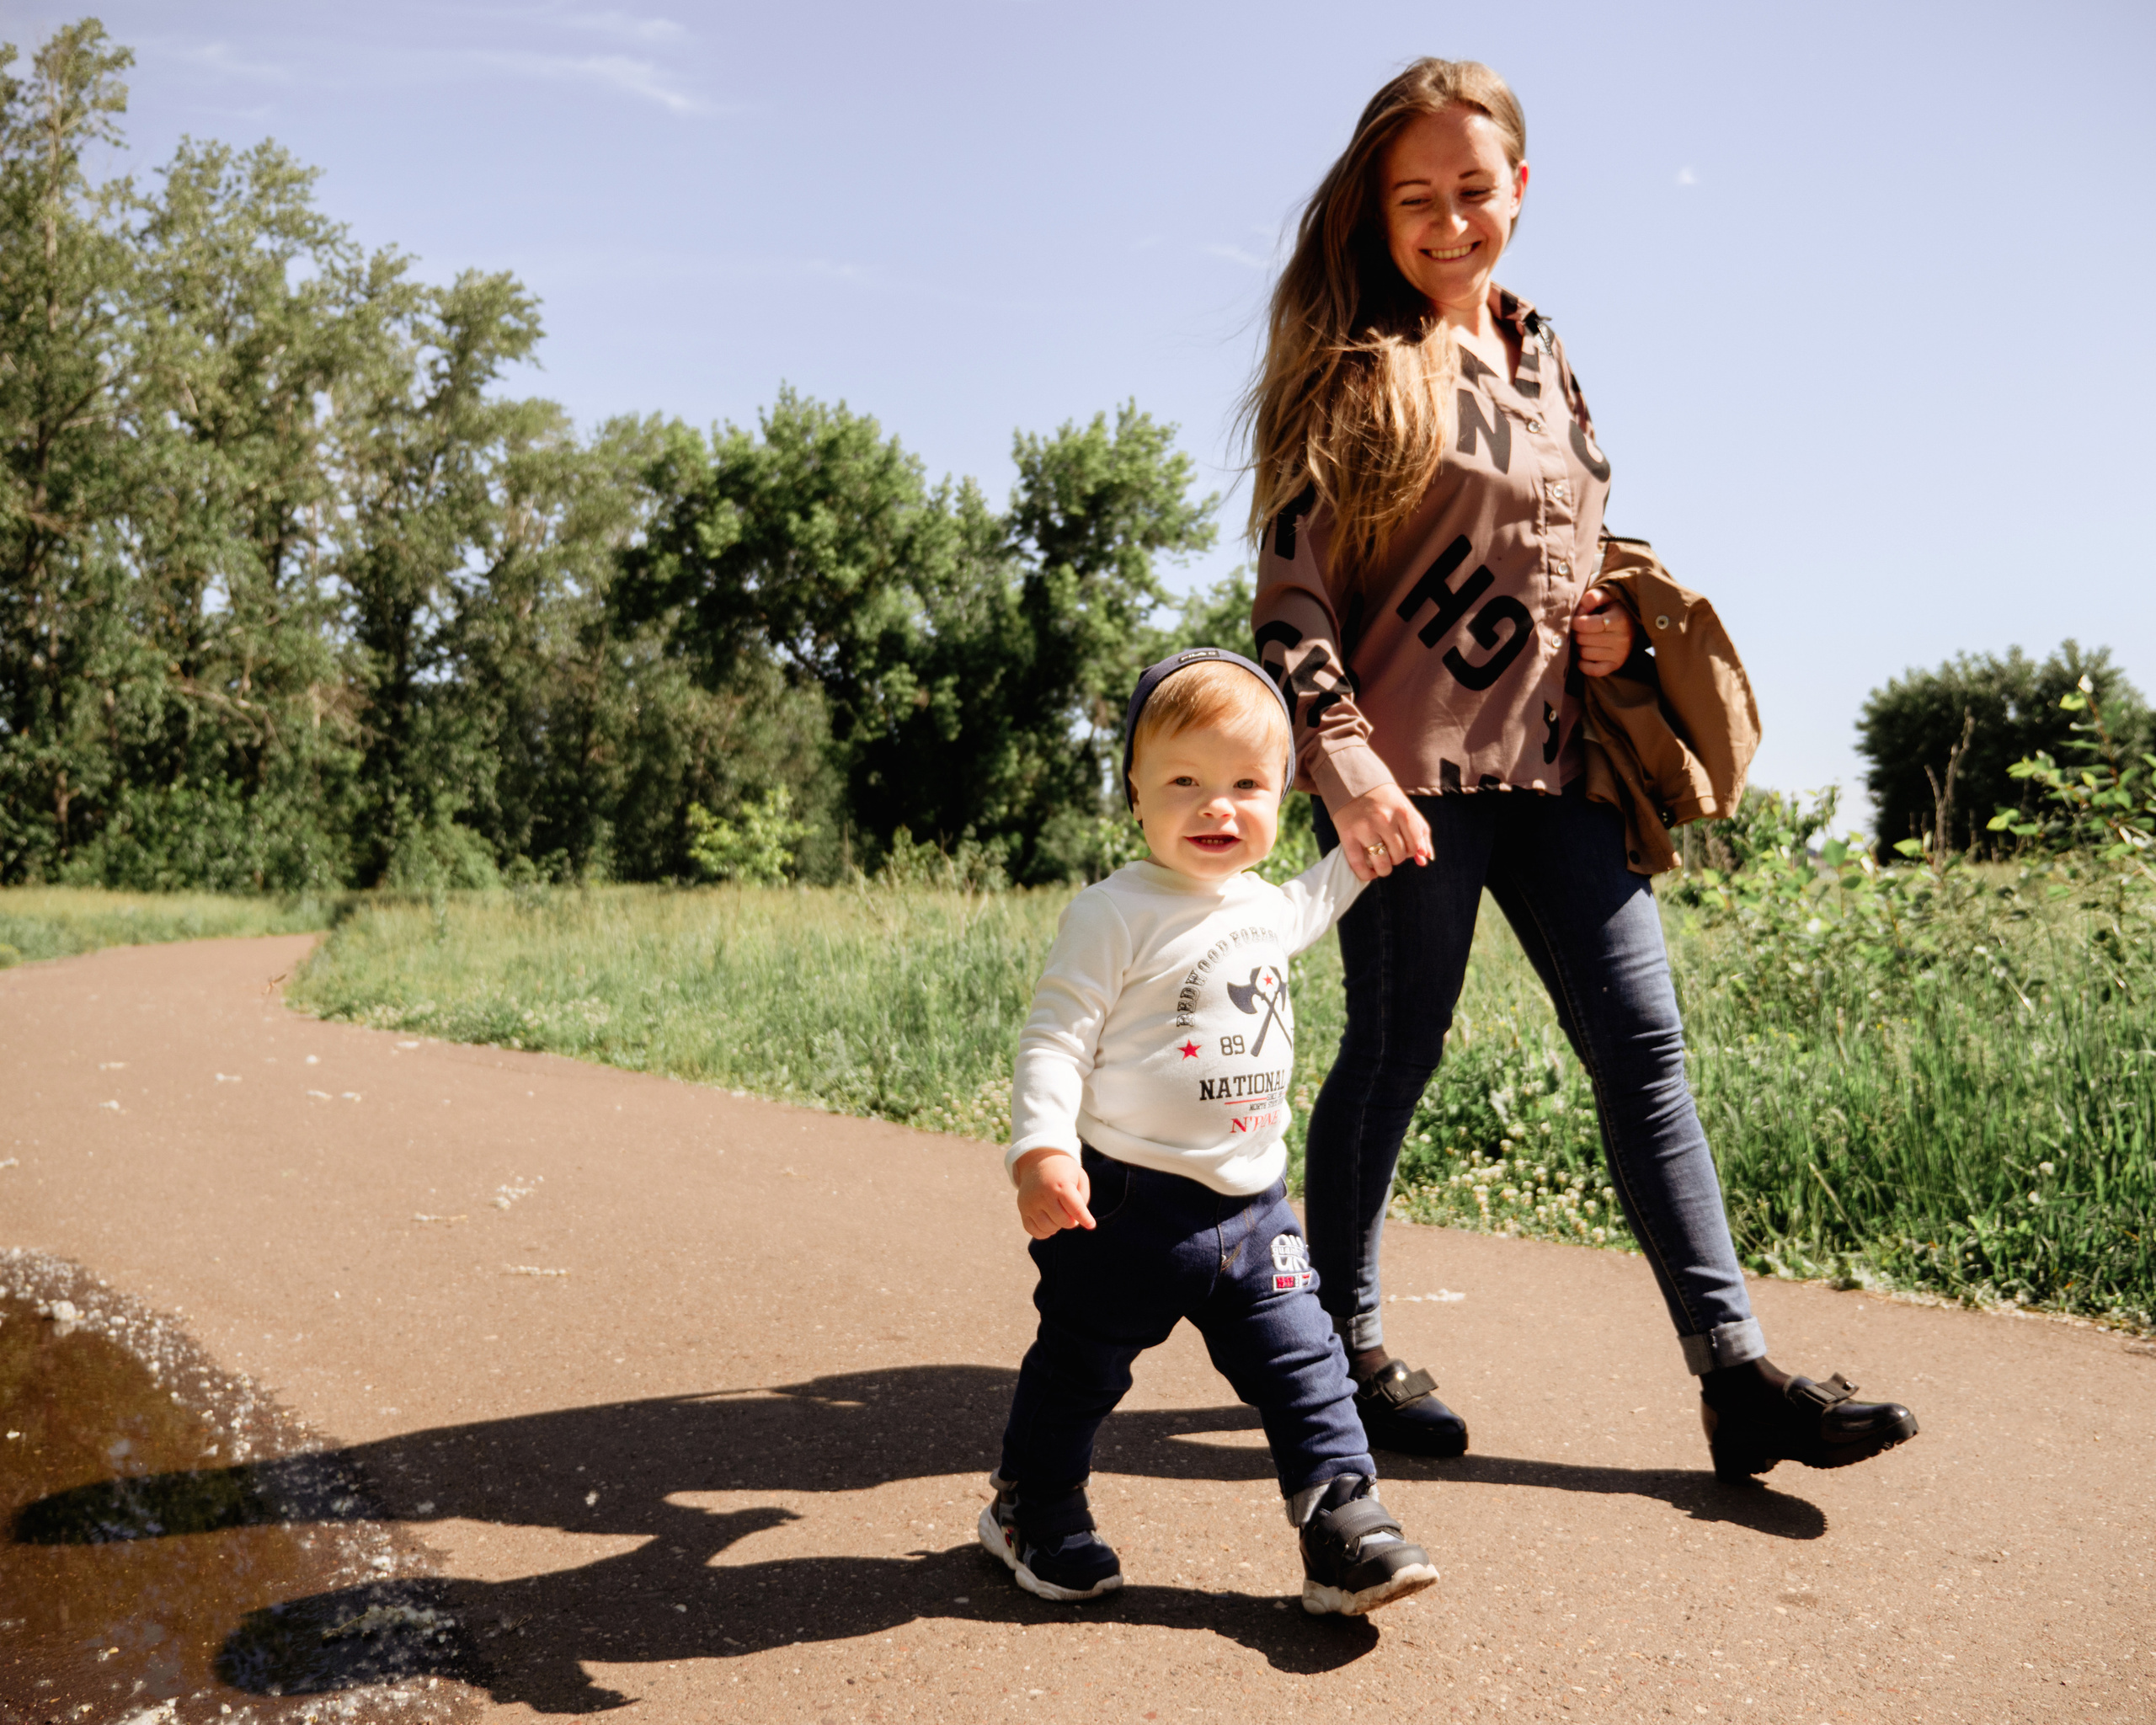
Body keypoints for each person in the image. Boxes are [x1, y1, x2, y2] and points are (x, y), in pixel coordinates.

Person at [1245, 58, 1919, 1482]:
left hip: (1563, 767)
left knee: (1646, 1049)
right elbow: (1295, 601)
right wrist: (1346, 764)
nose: (1446, 222)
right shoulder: (1355, 361)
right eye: (1415, 197)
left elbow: (1561, 544)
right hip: (1410, 774)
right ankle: (1344, 1346)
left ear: (1520, 190)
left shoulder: (1546, 348)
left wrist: (1608, 628)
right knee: (1394, 1049)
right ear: (1378, 207)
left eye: (1472, 191)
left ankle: (1735, 1371)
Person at [982, 649, 1439, 1616]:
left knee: (1306, 1360)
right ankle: (1035, 1504)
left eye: (1245, 783)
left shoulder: (1262, 905)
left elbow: (1321, 892)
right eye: (1183, 781)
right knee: (1078, 1367)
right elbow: (1055, 1036)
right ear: (1136, 795)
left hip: (1253, 1206)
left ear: (1279, 792)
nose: (1216, 807)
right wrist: (1041, 1148)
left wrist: (1368, 834)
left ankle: (1341, 1521)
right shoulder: (1115, 911)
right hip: (1125, 1208)